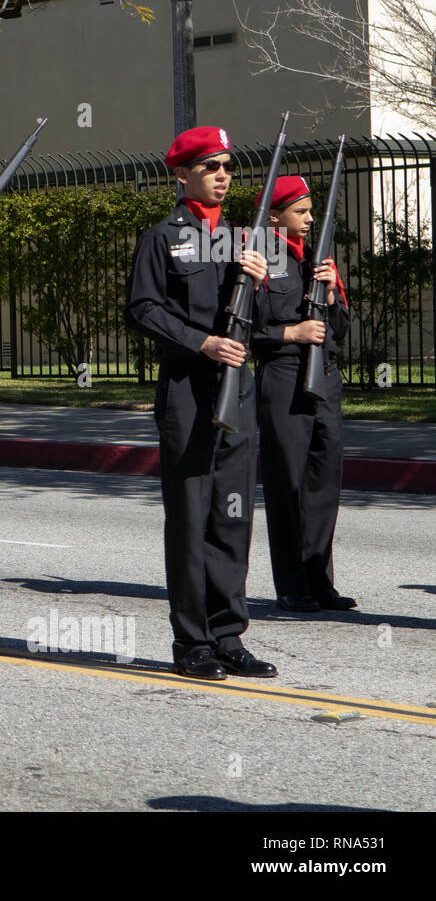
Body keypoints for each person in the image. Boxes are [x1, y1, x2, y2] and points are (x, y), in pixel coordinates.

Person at [126, 126, 276, 681]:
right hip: (189, 389)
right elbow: (142, 308)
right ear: (182, 173)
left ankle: (228, 634)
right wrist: (201, 341)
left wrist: (257, 286)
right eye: (210, 166)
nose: (222, 175)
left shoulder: (246, 240)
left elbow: (263, 328)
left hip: (237, 386)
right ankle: (192, 641)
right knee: (191, 516)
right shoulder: (161, 237)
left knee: (232, 514)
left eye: (228, 167)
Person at [250, 176, 356, 613]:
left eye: (313, 211)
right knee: (288, 484)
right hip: (283, 376)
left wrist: (331, 295)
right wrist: (290, 332)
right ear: (274, 216)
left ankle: (320, 582)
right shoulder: (257, 259)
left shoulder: (318, 258)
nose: (310, 218)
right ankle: (292, 586)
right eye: (301, 211)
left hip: (324, 377)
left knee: (322, 484)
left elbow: (342, 329)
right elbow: (245, 329)